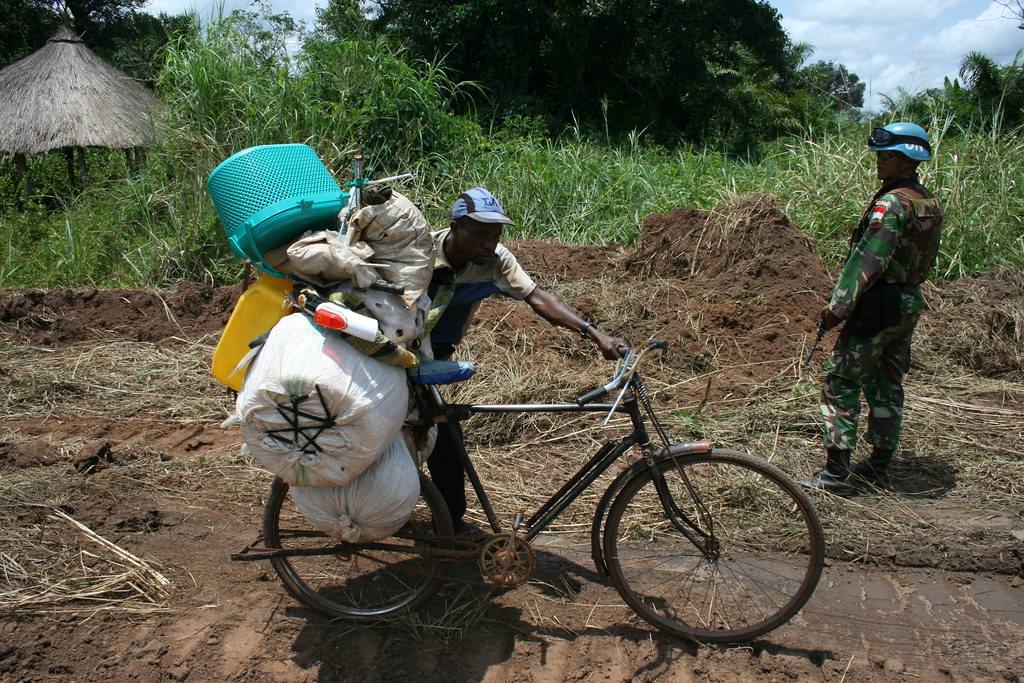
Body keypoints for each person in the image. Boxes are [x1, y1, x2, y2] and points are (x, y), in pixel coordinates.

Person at [422, 187, 628, 533]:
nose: (490, 243)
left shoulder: (495, 261)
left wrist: (596, 335)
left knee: (442, 431)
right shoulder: (421, 253)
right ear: (456, 228)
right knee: (441, 432)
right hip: (401, 351)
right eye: (481, 234)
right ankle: (446, 524)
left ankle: (448, 522)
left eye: (497, 234)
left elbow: (538, 298)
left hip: (436, 356)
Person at [800, 122, 943, 493]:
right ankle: (880, 465)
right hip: (908, 301)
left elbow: (868, 260)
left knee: (841, 381)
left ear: (907, 159)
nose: (880, 162)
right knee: (887, 383)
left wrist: (838, 307)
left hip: (878, 304)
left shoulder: (892, 203)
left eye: (887, 156)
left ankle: (835, 473)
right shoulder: (926, 200)